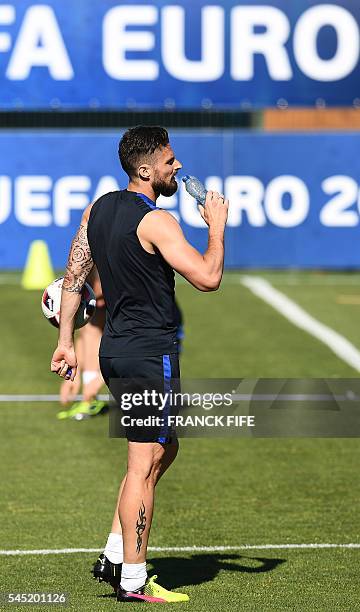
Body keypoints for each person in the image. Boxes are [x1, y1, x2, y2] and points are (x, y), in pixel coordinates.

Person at [50, 125, 228, 603]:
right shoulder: (158, 222)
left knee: (161, 451)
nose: (178, 168)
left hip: (115, 352)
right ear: (146, 169)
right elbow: (208, 278)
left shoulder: (98, 209)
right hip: (149, 354)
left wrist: (67, 340)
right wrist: (216, 225)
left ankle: (114, 552)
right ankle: (132, 578)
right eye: (170, 162)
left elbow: (73, 276)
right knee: (145, 463)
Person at [57, 267, 108, 420]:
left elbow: (135, 344)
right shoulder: (97, 299)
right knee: (91, 327)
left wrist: (102, 378)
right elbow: (85, 335)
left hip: (161, 339)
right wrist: (74, 375)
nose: (95, 292)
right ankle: (88, 401)